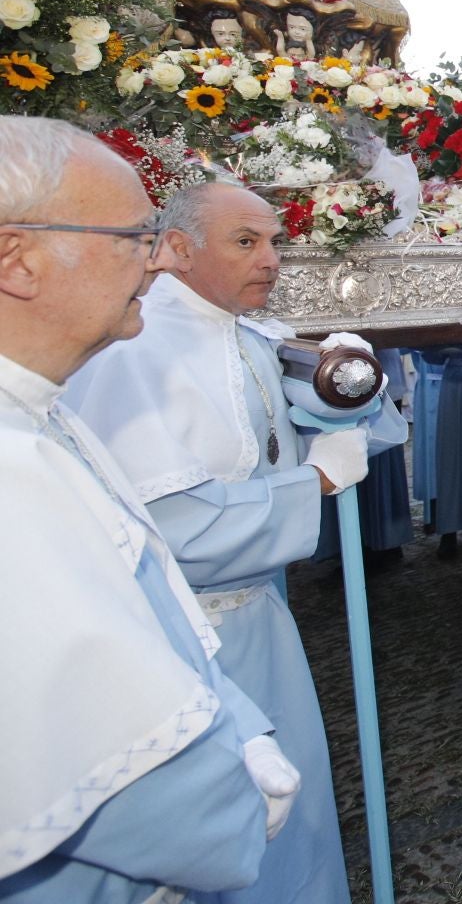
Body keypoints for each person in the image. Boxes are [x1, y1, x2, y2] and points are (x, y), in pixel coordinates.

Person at [66, 179, 399, 904]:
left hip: (259, 615)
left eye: (276, 241)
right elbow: (176, 533)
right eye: (247, 242)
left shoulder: (246, 332)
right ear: (178, 250)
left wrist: (350, 382)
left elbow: (352, 422)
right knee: (240, 820)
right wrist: (311, 485)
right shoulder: (135, 350)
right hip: (191, 638)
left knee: (294, 800)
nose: (272, 259)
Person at [0, 119, 290, 904]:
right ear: (17, 259)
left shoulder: (39, 412)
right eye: (134, 236)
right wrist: (229, 787)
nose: (157, 258)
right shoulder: (12, 466)